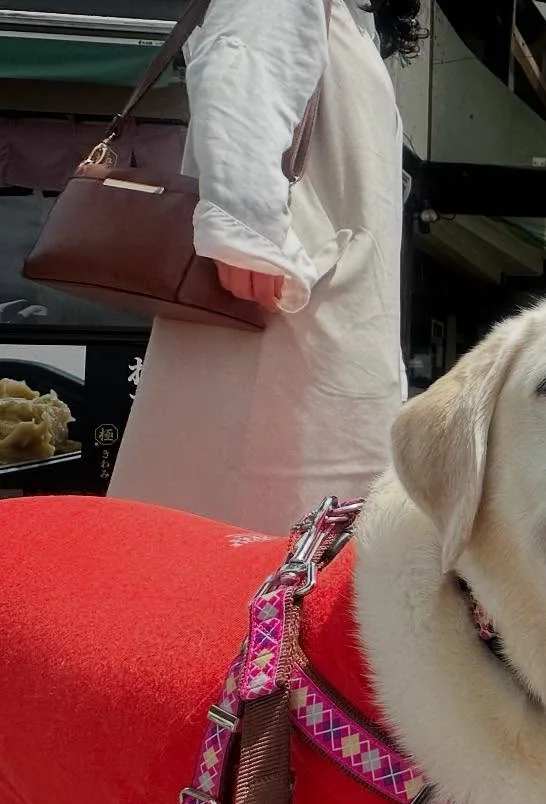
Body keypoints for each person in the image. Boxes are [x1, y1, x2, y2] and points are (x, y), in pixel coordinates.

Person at [108, 0, 420, 535]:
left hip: (316, 317)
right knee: (263, 553)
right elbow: (240, 70)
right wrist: (246, 233)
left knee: (284, 547)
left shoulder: (346, 15)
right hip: (287, 321)